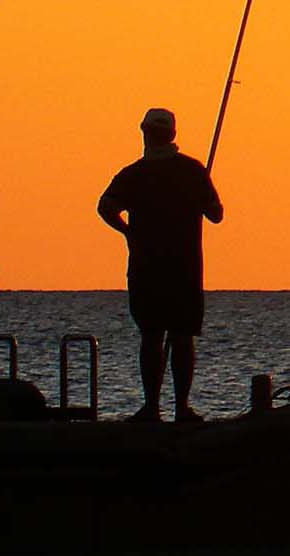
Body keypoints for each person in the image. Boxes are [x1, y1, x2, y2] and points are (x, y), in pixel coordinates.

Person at [98, 108, 224, 423]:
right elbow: (217, 214)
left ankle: (152, 408)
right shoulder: (192, 171)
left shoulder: (133, 174)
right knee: (181, 338)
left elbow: (106, 207)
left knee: (151, 337)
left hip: (146, 268)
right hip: (184, 268)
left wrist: (128, 232)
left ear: (145, 133)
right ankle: (181, 409)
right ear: (172, 135)